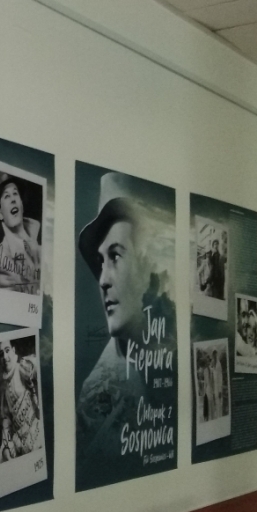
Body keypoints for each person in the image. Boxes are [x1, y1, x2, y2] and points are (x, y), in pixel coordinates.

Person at [76, 172, 170, 477]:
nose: (103, 280)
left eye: (115, 256)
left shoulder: (175, 347)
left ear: (147, 267)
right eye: (101, 261)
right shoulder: (97, 395)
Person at [0, 175, 41, 294]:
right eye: (7, 196)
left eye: (15, 194)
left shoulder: (39, 239)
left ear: (21, 205)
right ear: (0, 214)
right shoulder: (0, 261)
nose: (13, 199)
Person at [0, 340, 41, 462]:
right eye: (1, 354)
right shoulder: (4, 386)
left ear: (13, 350)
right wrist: (6, 446)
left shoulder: (23, 367)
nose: (5, 357)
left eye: (7, 350)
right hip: (19, 443)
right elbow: (6, 419)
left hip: (37, 433)